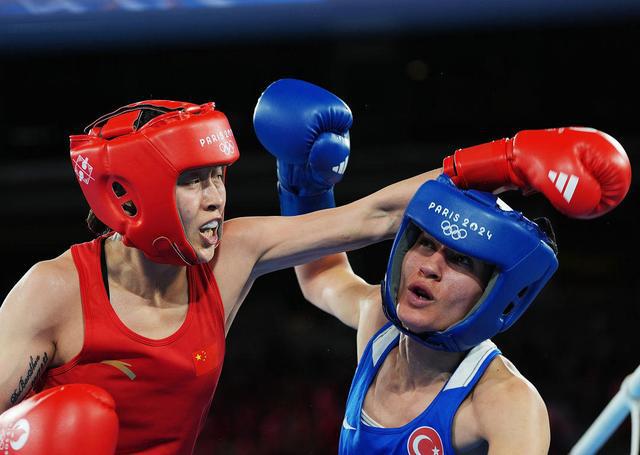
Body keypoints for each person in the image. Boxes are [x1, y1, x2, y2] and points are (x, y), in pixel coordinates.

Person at [0, 77, 630, 454]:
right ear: (128, 195)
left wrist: (508, 160)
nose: (217, 198)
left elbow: (378, 216)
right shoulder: (52, 292)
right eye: (194, 181)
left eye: (219, 176)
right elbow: (332, 275)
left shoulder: (230, 255)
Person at [268, 124, 632, 451]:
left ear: (492, 293)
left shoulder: (506, 403)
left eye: (460, 260)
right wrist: (305, 188)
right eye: (426, 244)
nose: (429, 267)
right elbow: (322, 276)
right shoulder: (380, 327)